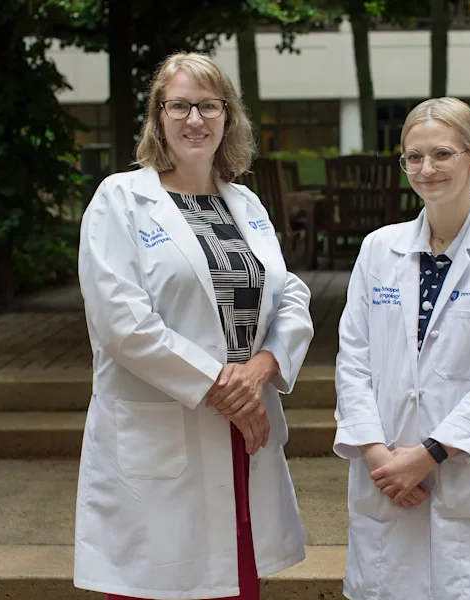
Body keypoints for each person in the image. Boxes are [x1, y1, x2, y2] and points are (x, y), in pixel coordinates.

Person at [74, 51, 314, 600]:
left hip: (241, 429)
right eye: (179, 105)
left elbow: (289, 292)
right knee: (158, 582)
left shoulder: (244, 202)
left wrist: (263, 366)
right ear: (158, 117)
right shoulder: (120, 200)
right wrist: (225, 387)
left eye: (209, 105)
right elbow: (122, 322)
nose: (194, 119)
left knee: (234, 581)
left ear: (228, 117)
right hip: (171, 426)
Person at [333, 97, 470, 600]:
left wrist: (428, 455)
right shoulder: (378, 248)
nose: (426, 169)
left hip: (463, 474)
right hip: (384, 476)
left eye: (442, 154)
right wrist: (378, 456)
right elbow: (353, 360)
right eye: (414, 156)